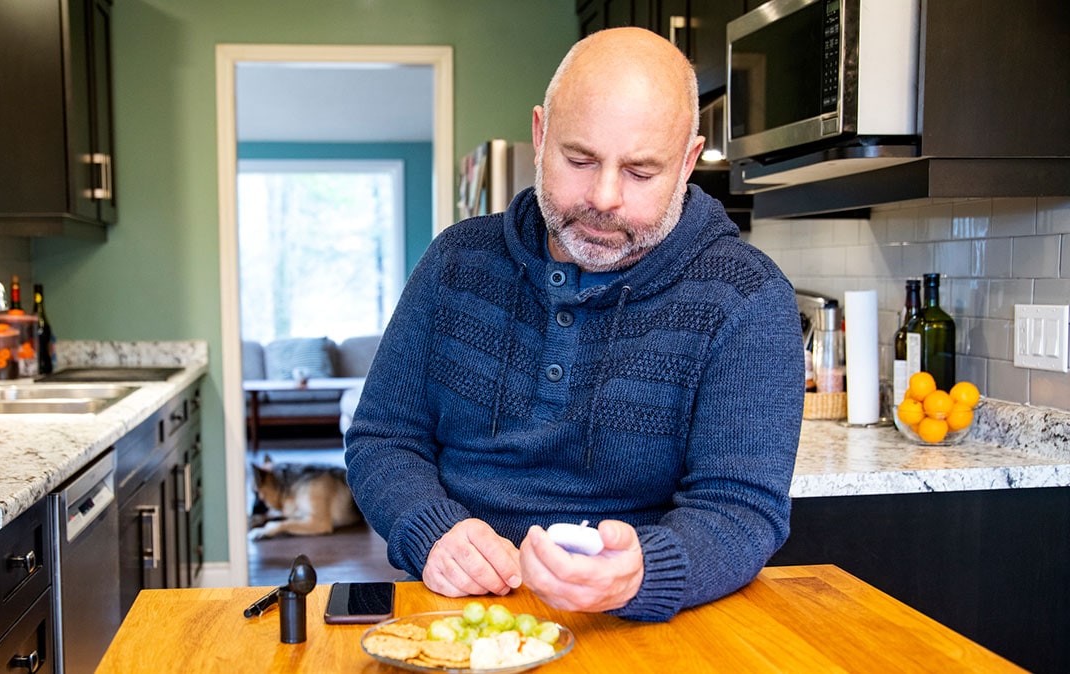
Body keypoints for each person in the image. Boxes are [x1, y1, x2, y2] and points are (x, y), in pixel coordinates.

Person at [344, 26, 803, 621]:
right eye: (580, 160)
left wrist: (644, 572)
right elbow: (383, 438)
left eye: (640, 172)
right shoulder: (455, 262)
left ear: (688, 162)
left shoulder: (748, 299)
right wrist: (431, 530)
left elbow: (740, 509)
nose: (604, 197)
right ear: (540, 135)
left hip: (640, 626)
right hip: (455, 613)